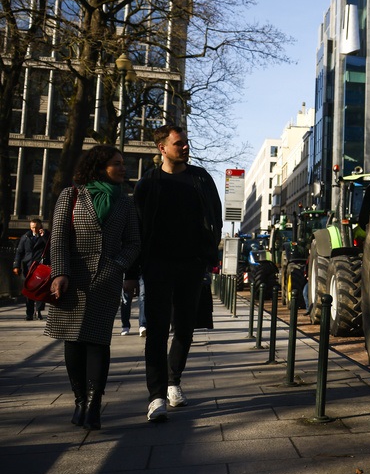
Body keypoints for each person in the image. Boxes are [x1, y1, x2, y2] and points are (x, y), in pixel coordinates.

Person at [45, 145, 141, 430]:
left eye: (123, 163)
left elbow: (134, 243)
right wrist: (60, 273)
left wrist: (115, 266)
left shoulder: (125, 203)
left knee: (98, 341)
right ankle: (79, 400)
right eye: (117, 163)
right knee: (73, 340)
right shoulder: (72, 195)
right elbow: (59, 237)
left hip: (105, 280)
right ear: (100, 166)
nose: (124, 168)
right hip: (72, 278)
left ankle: (94, 403)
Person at [134, 125, 222, 422]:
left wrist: (208, 256)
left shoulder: (200, 179)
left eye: (186, 143)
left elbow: (215, 217)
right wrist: (136, 269)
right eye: (179, 143)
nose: (185, 147)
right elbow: (138, 226)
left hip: (191, 264)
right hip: (157, 265)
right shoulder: (149, 183)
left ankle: (173, 382)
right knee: (157, 331)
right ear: (162, 148)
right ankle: (156, 396)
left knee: (184, 329)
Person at [14, 218, 48, 320]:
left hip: (40, 267)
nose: (34, 230)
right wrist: (16, 265)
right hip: (28, 267)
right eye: (33, 227)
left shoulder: (45, 236)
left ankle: (38, 311)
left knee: (40, 290)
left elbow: (50, 247)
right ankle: (29, 313)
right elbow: (19, 252)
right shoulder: (25, 237)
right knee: (28, 290)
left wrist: (44, 236)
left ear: (40, 227)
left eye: (36, 227)